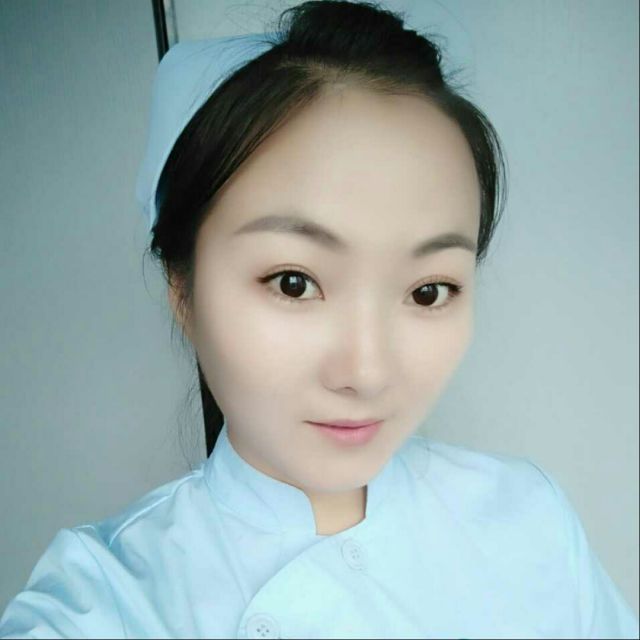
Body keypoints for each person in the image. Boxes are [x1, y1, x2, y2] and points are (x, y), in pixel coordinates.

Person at [1, 1, 638, 638]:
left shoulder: (530, 520)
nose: (367, 372)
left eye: (428, 292)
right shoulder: (104, 598)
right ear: (182, 290)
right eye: (295, 282)